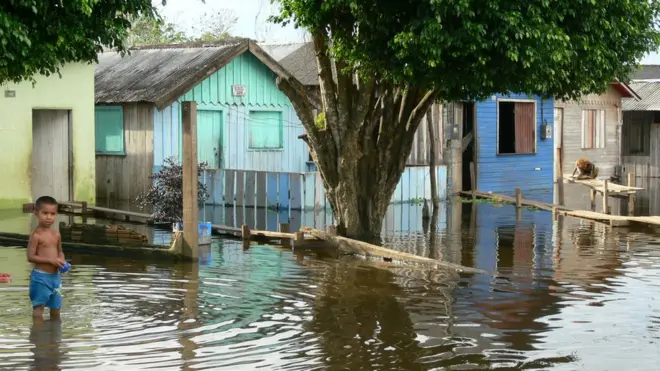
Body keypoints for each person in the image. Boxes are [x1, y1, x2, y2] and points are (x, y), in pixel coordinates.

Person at [27, 196, 66, 319]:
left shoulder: (56, 234)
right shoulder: (36, 235)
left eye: (52, 214)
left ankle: (54, 336)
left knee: (56, 309)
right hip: (41, 278)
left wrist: (61, 260)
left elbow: (60, 251)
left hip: (55, 278)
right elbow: (30, 257)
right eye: (45, 213)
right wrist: (50, 260)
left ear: (56, 214)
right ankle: (38, 336)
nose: (49, 217)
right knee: (39, 309)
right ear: (36, 213)